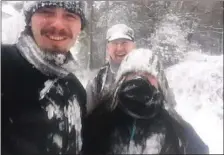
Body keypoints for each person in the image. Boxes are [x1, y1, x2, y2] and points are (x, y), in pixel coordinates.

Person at [82, 48, 209, 154]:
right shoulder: (100, 118)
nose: (140, 78)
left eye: (148, 74)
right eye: (133, 73)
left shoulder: (175, 125)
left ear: (159, 82)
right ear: (121, 79)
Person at [2, 1, 87, 155]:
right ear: (29, 20)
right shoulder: (4, 68)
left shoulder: (75, 88)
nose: (58, 25)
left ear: (80, 26)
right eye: (47, 12)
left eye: (70, 15)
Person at [86, 24, 136, 114]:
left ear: (134, 46)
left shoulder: (149, 75)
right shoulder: (97, 82)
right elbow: (88, 118)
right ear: (108, 48)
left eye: (124, 43)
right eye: (115, 43)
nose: (119, 48)